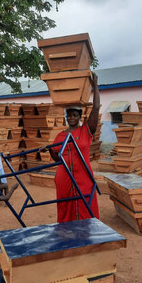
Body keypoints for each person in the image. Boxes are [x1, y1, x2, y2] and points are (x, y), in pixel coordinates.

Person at [40, 72, 100, 223]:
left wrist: (95, 86)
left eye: (75, 115)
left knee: (86, 204)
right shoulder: (60, 136)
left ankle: (88, 236)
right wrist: (49, 150)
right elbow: (57, 158)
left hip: (84, 176)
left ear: (80, 116)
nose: (72, 118)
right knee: (66, 207)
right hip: (64, 177)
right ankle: (66, 234)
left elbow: (96, 108)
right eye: (69, 115)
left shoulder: (85, 130)